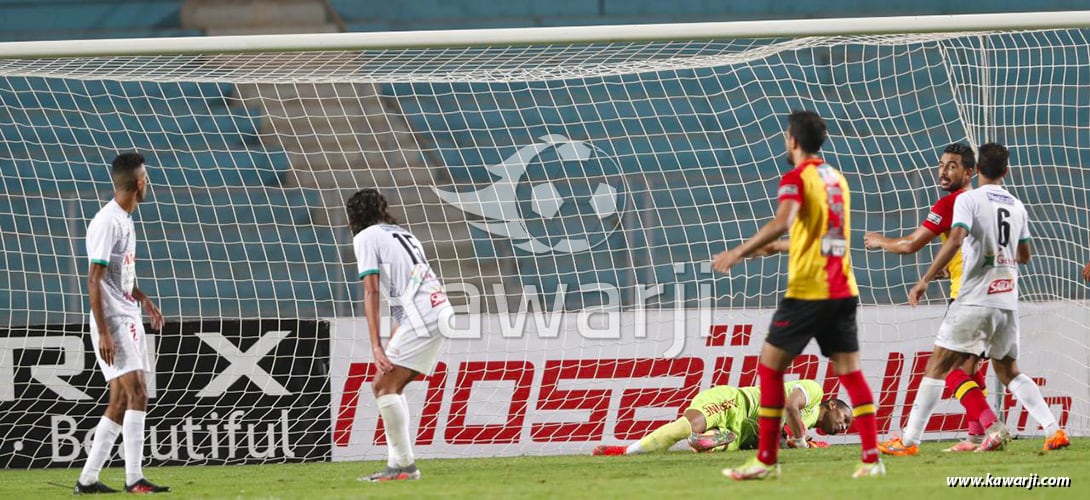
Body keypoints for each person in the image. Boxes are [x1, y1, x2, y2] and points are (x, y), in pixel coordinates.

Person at [712, 110, 884, 479]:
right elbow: (827, 239)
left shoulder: (796, 177)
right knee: (851, 374)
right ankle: (871, 459)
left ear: (793, 140)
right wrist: (778, 249)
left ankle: (766, 460)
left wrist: (739, 252)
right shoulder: (836, 179)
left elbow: (782, 220)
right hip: (843, 290)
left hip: (809, 291)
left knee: (770, 369)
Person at [878, 143, 1069, 455]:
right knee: (1009, 372)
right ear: (1006, 171)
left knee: (937, 368)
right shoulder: (1017, 206)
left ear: (976, 169)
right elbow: (1024, 255)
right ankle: (1053, 429)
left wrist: (925, 279)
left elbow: (956, 239)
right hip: (1007, 302)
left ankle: (909, 442)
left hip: (974, 300)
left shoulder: (967, 199)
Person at [864, 143, 989, 452]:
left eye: (952, 166)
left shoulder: (951, 204)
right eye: (941, 165)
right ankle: (978, 436)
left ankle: (914, 440)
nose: (943, 171)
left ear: (969, 171)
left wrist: (882, 241)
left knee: (944, 368)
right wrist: (949, 266)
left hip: (965, 297)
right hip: (994, 295)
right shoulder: (986, 202)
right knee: (970, 369)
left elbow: (911, 245)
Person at [75, 152, 169, 494]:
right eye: (147, 178)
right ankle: (134, 478)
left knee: (118, 402)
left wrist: (142, 298)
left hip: (126, 314)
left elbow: (119, 277)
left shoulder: (125, 219)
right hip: (113, 321)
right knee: (139, 393)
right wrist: (103, 331)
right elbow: (94, 279)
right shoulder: (108, 222)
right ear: (140, 183)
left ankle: (87, 480)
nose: (149, 183)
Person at [348, 188, 454, 482]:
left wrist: (376, 345)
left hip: (423, 314)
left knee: (383, 386)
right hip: (439, 308)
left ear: (353, 216)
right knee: (390, 386)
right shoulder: (401, 233)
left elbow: (371, 290)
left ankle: (405, 467)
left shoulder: (365, 237)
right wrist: (398, 330)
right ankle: (398, 465)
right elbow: (410, 285)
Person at [592, 379, 851, 456]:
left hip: (745, 435)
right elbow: (789, 406)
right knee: (685, 427)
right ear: (830, 404)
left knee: (724, 441)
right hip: (735, 404)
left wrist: (790, 444)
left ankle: (707, 440)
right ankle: (623, 450)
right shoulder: (815, 393)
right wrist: (801, 441)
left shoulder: (802, 431)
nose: (844, 426)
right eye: (845, 418)